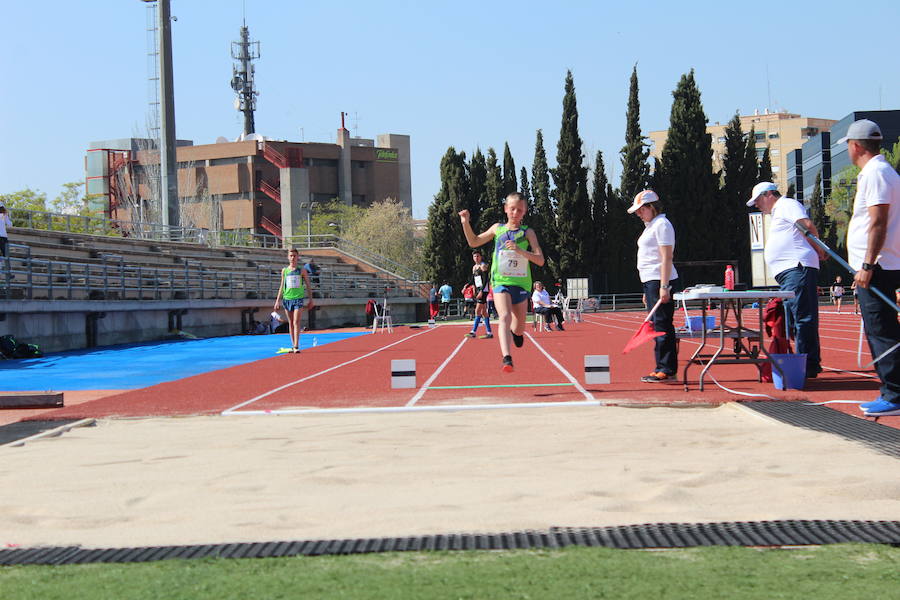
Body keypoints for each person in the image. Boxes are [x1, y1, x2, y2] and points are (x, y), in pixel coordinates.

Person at [840, 119, 900, 417]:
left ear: (856, 146)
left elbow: (878, 221)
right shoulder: (882, 172)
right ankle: (892, 391)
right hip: (881, 264)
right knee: (882, 330)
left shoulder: (875, 173)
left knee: (882, 331)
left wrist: (866, 265)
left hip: (878, 267)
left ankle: (894, 394)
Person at [459, 192, 545, 372]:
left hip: (521, 284)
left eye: (519, 210)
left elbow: (540, 260)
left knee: (520, 327)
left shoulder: (528, 232)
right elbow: (474, 242)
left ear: (524, 212)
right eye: (512, 209)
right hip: (500, 281)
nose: (515, 213)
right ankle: (507, 358)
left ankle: (517, 334)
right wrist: (465, 223)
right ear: (506, 209)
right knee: (504, 316)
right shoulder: (497, 229)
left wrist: (520, 251)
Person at [747, 181, 825, 379]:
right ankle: (805, 362)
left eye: (757, 200)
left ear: (768, 195)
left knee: (802, 317)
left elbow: (806, 226)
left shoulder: (787, 205)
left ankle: (807, 365)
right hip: (791, 271)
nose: (757, 205)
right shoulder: (779, 211)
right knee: (794, 319)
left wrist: (820, 249)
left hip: (797, 267)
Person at [629, 190, 680, 383]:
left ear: (651, 207)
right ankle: (663, 367)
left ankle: (666, 369)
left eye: (641, 210)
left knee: (661, 325)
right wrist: (647, 288)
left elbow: (667, 257)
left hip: (660, 280)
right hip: (651, 281)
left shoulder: (662, 225)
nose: (638, 214)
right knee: (657, 325)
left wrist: (664, 285)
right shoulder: (651, 226)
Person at [274, 248, 314, 353]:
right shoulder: (285, 271)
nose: (292, 258)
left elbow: (309, 286)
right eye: (291, 256)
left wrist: (311, 300)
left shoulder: (302, 271)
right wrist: (277, 300)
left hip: (298, 299)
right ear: (288, 257)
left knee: (296, 321)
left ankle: (296, 346)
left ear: (297, 257)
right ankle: (293, 344)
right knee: (291, 322)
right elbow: (282, 286)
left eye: (294, 256)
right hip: (287, 299)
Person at [466, 249, 493, 339]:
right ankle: (489, 332)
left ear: (481, 257)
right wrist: (466, 286)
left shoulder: (483, 266)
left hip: (484, 290)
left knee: (477, 311)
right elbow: (473, 279)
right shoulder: (474, 267)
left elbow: (486, 279)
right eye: (474, 256)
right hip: (478, 290)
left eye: (478, 256)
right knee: (484, 312)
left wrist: (481, 290)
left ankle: (473, 331)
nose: (476, 258)